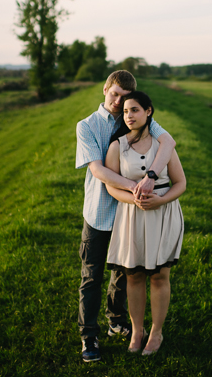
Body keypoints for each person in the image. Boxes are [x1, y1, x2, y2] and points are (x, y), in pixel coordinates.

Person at [75, 71, 176, 363]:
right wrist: (138, 186)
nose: (119, 102)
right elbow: (98, 170)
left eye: (124, 97)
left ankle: (116, 319)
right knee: (92, 275)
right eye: (114, 94)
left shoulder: (134, 117)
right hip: (99, 211)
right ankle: (88, 334)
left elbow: (168, 143)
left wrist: (153, 176)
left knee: (125, 272)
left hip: (129, 213)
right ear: (105, 90)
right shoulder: (87, 126)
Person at [104, 91, 186, 356]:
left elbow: (181, 183)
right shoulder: (117, 146)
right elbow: (111, 186)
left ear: (148, 111)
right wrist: (133, 201)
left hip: (163, 214)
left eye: (135, 110)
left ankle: (156, 333)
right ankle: (137, 331)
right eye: (126, 111)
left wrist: (160, 201)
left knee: (160, 276)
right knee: (134, 275)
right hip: (132, 217)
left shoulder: (164, 146)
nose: (129, 116)